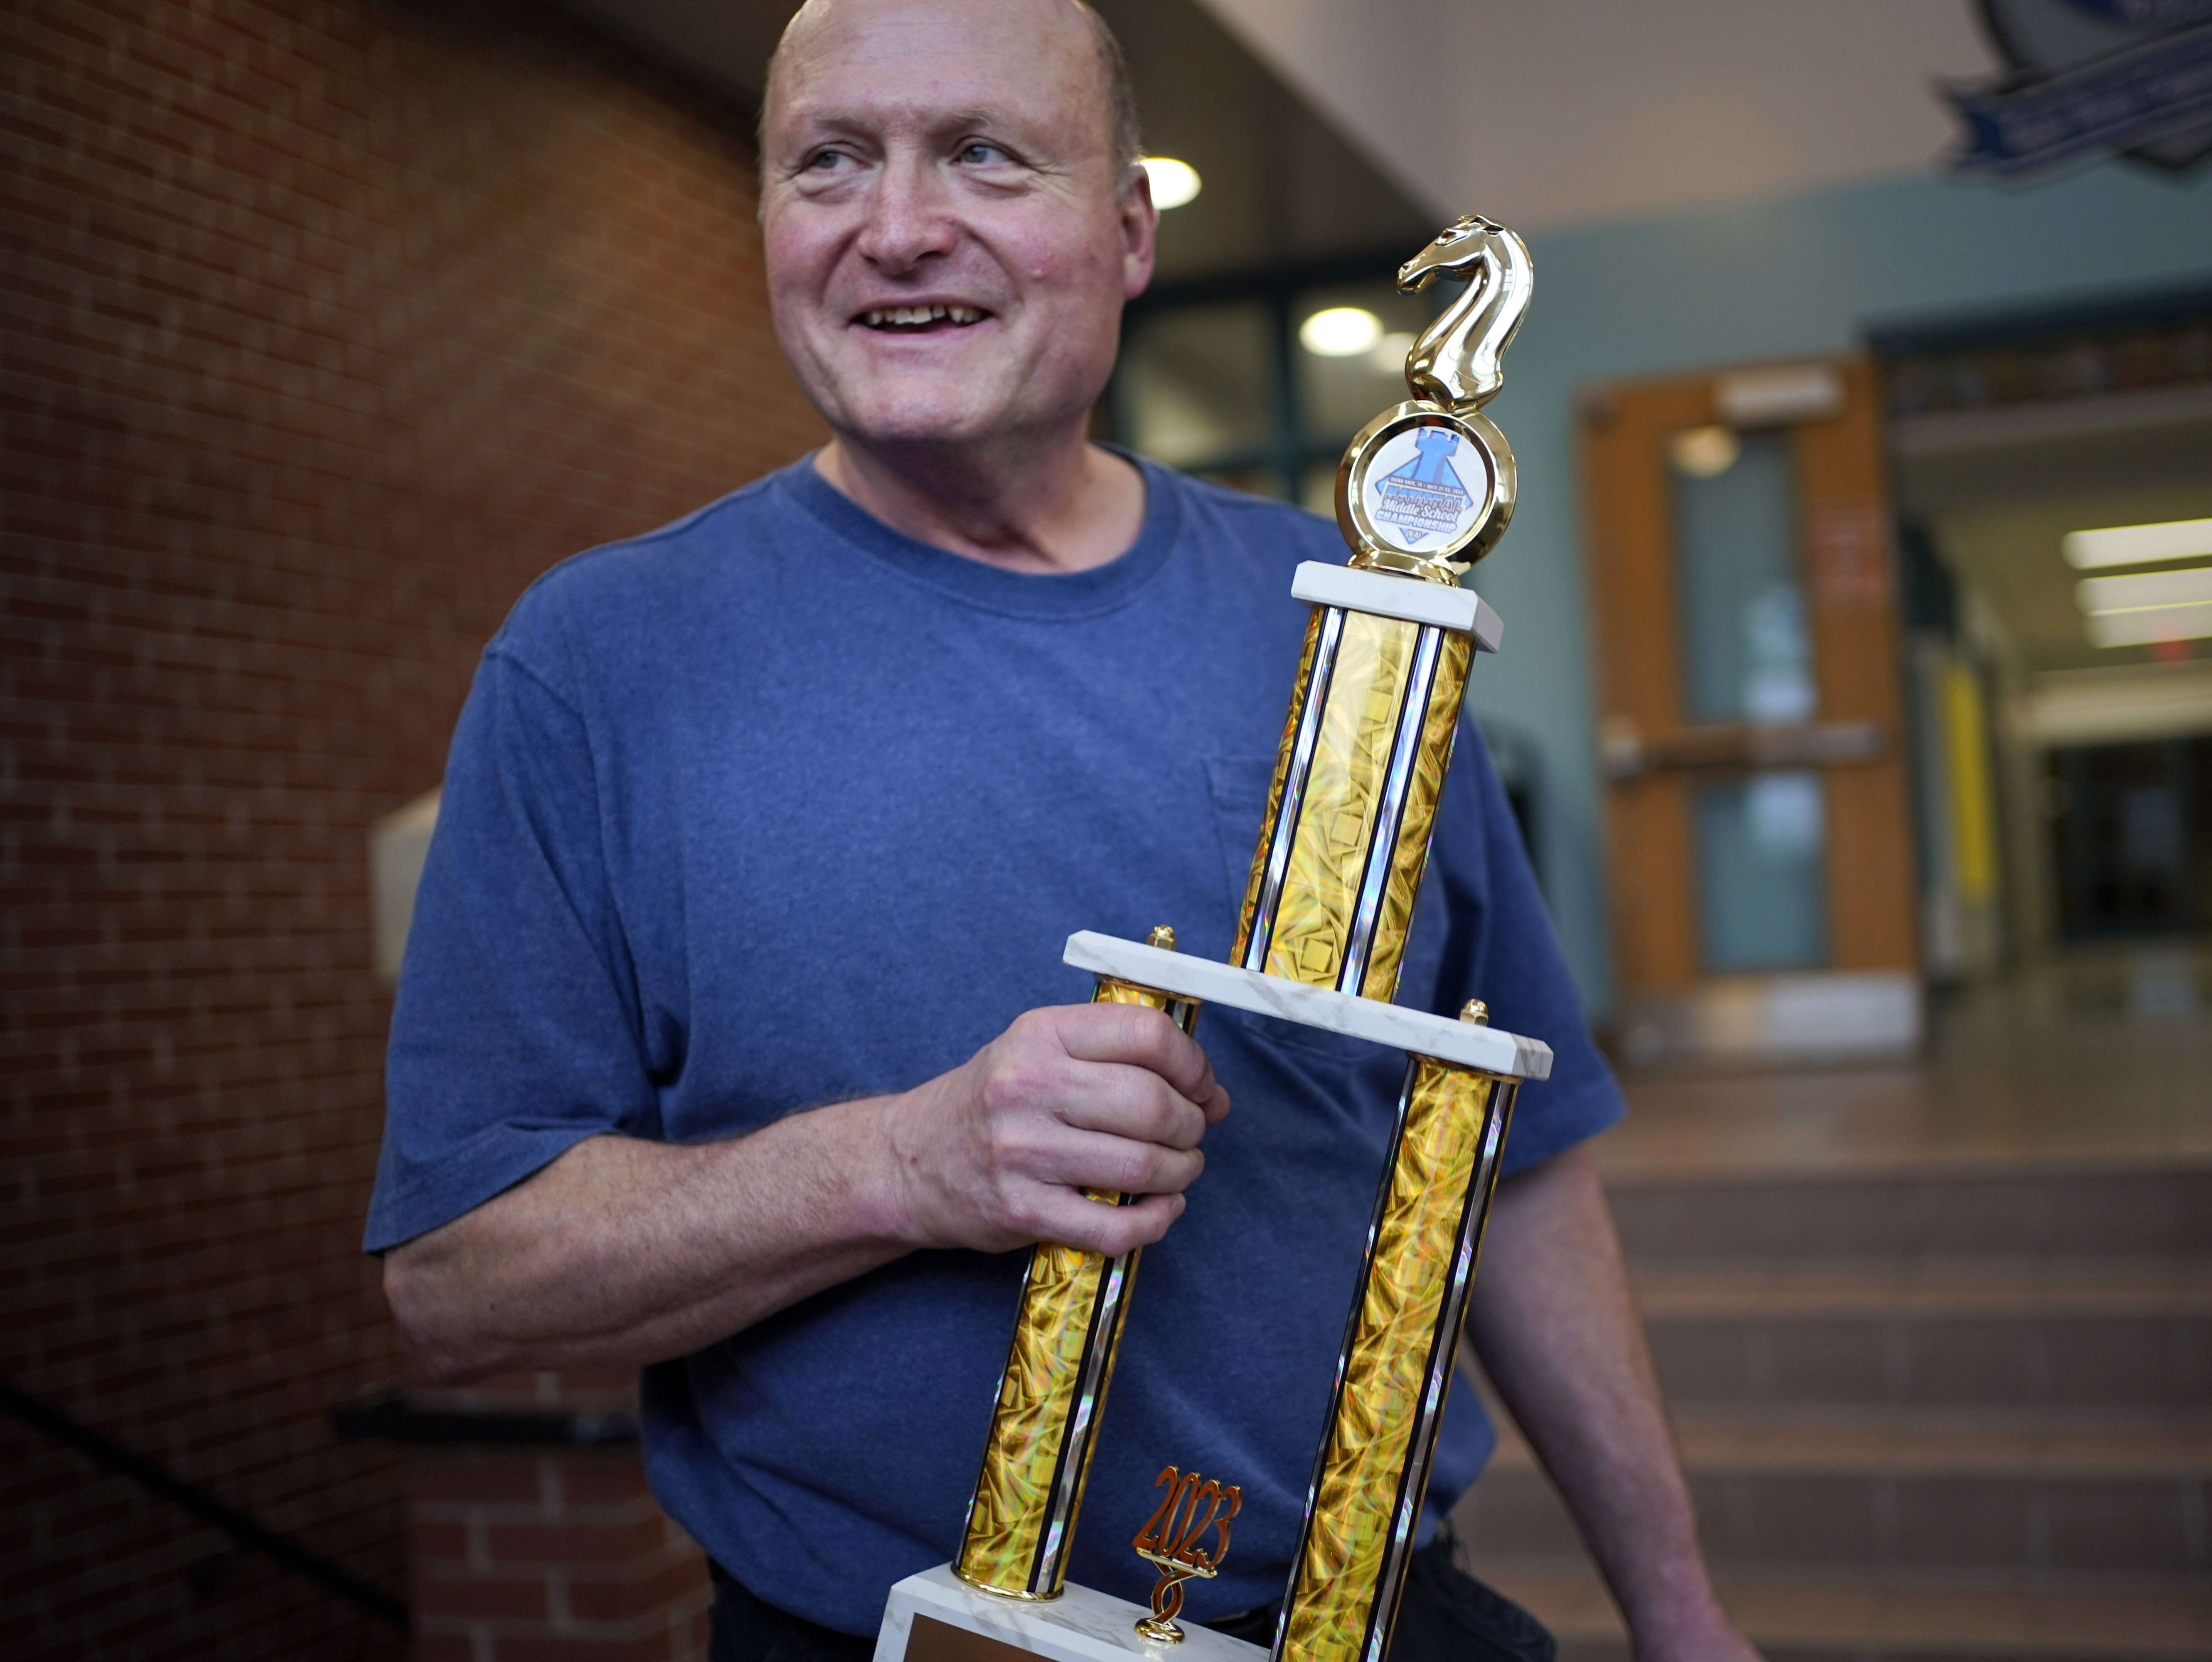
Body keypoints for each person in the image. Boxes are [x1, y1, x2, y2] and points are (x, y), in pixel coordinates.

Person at [368, 2, 1761, 1659]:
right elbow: (457, 1277)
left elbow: (1511, 1169)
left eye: (983, 154)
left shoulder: (1359, 630)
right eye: (829, 162)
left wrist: (1682, 1617)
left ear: (1128, 232)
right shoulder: (598, 664)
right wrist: (901, 1164)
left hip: (1381, 1620)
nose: (896, 228)